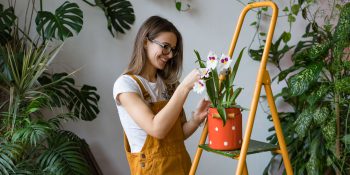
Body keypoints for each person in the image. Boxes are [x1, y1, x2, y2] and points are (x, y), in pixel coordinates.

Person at [113, 15, 211, 175]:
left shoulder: (169, 84)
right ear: (145, 42)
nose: (170, 55)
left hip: (181, 166)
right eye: (165, 46)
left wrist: (196, 119)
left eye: (173, 49)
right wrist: (185, 87)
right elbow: (157, 129)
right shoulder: (125, 85)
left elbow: (178, 135)